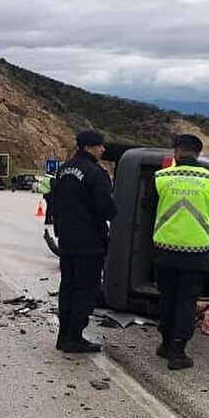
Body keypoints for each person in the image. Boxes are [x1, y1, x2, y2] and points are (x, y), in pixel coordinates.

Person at [147, 134, 209, 370]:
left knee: (167, 299)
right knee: (186, 302)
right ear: (198, 153)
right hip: (196, 254)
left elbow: (148, 209)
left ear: (176, 152)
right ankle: (178, 351)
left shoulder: (161, 178)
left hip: (164, 251)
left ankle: (165, 344)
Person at [51, 130, 117, 353]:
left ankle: (63, 336)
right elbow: (107, 209)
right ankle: (75, 337)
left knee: (67, 287)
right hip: (89, 241)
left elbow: (54, 203)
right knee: (86, 289)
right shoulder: (96, 173)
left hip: (67, 239)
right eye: (100, 146)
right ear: (90, 147)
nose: (103, 150)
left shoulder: (63, 170)